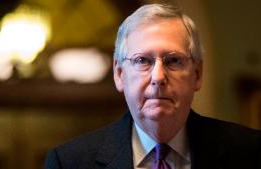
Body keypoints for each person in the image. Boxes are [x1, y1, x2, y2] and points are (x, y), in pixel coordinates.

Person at [44, 3, 261, 169]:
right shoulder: (69, 162)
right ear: (119, 74)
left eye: (173, 61)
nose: (158, 77)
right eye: (142, 61)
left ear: (197, 74)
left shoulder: (250, 153)